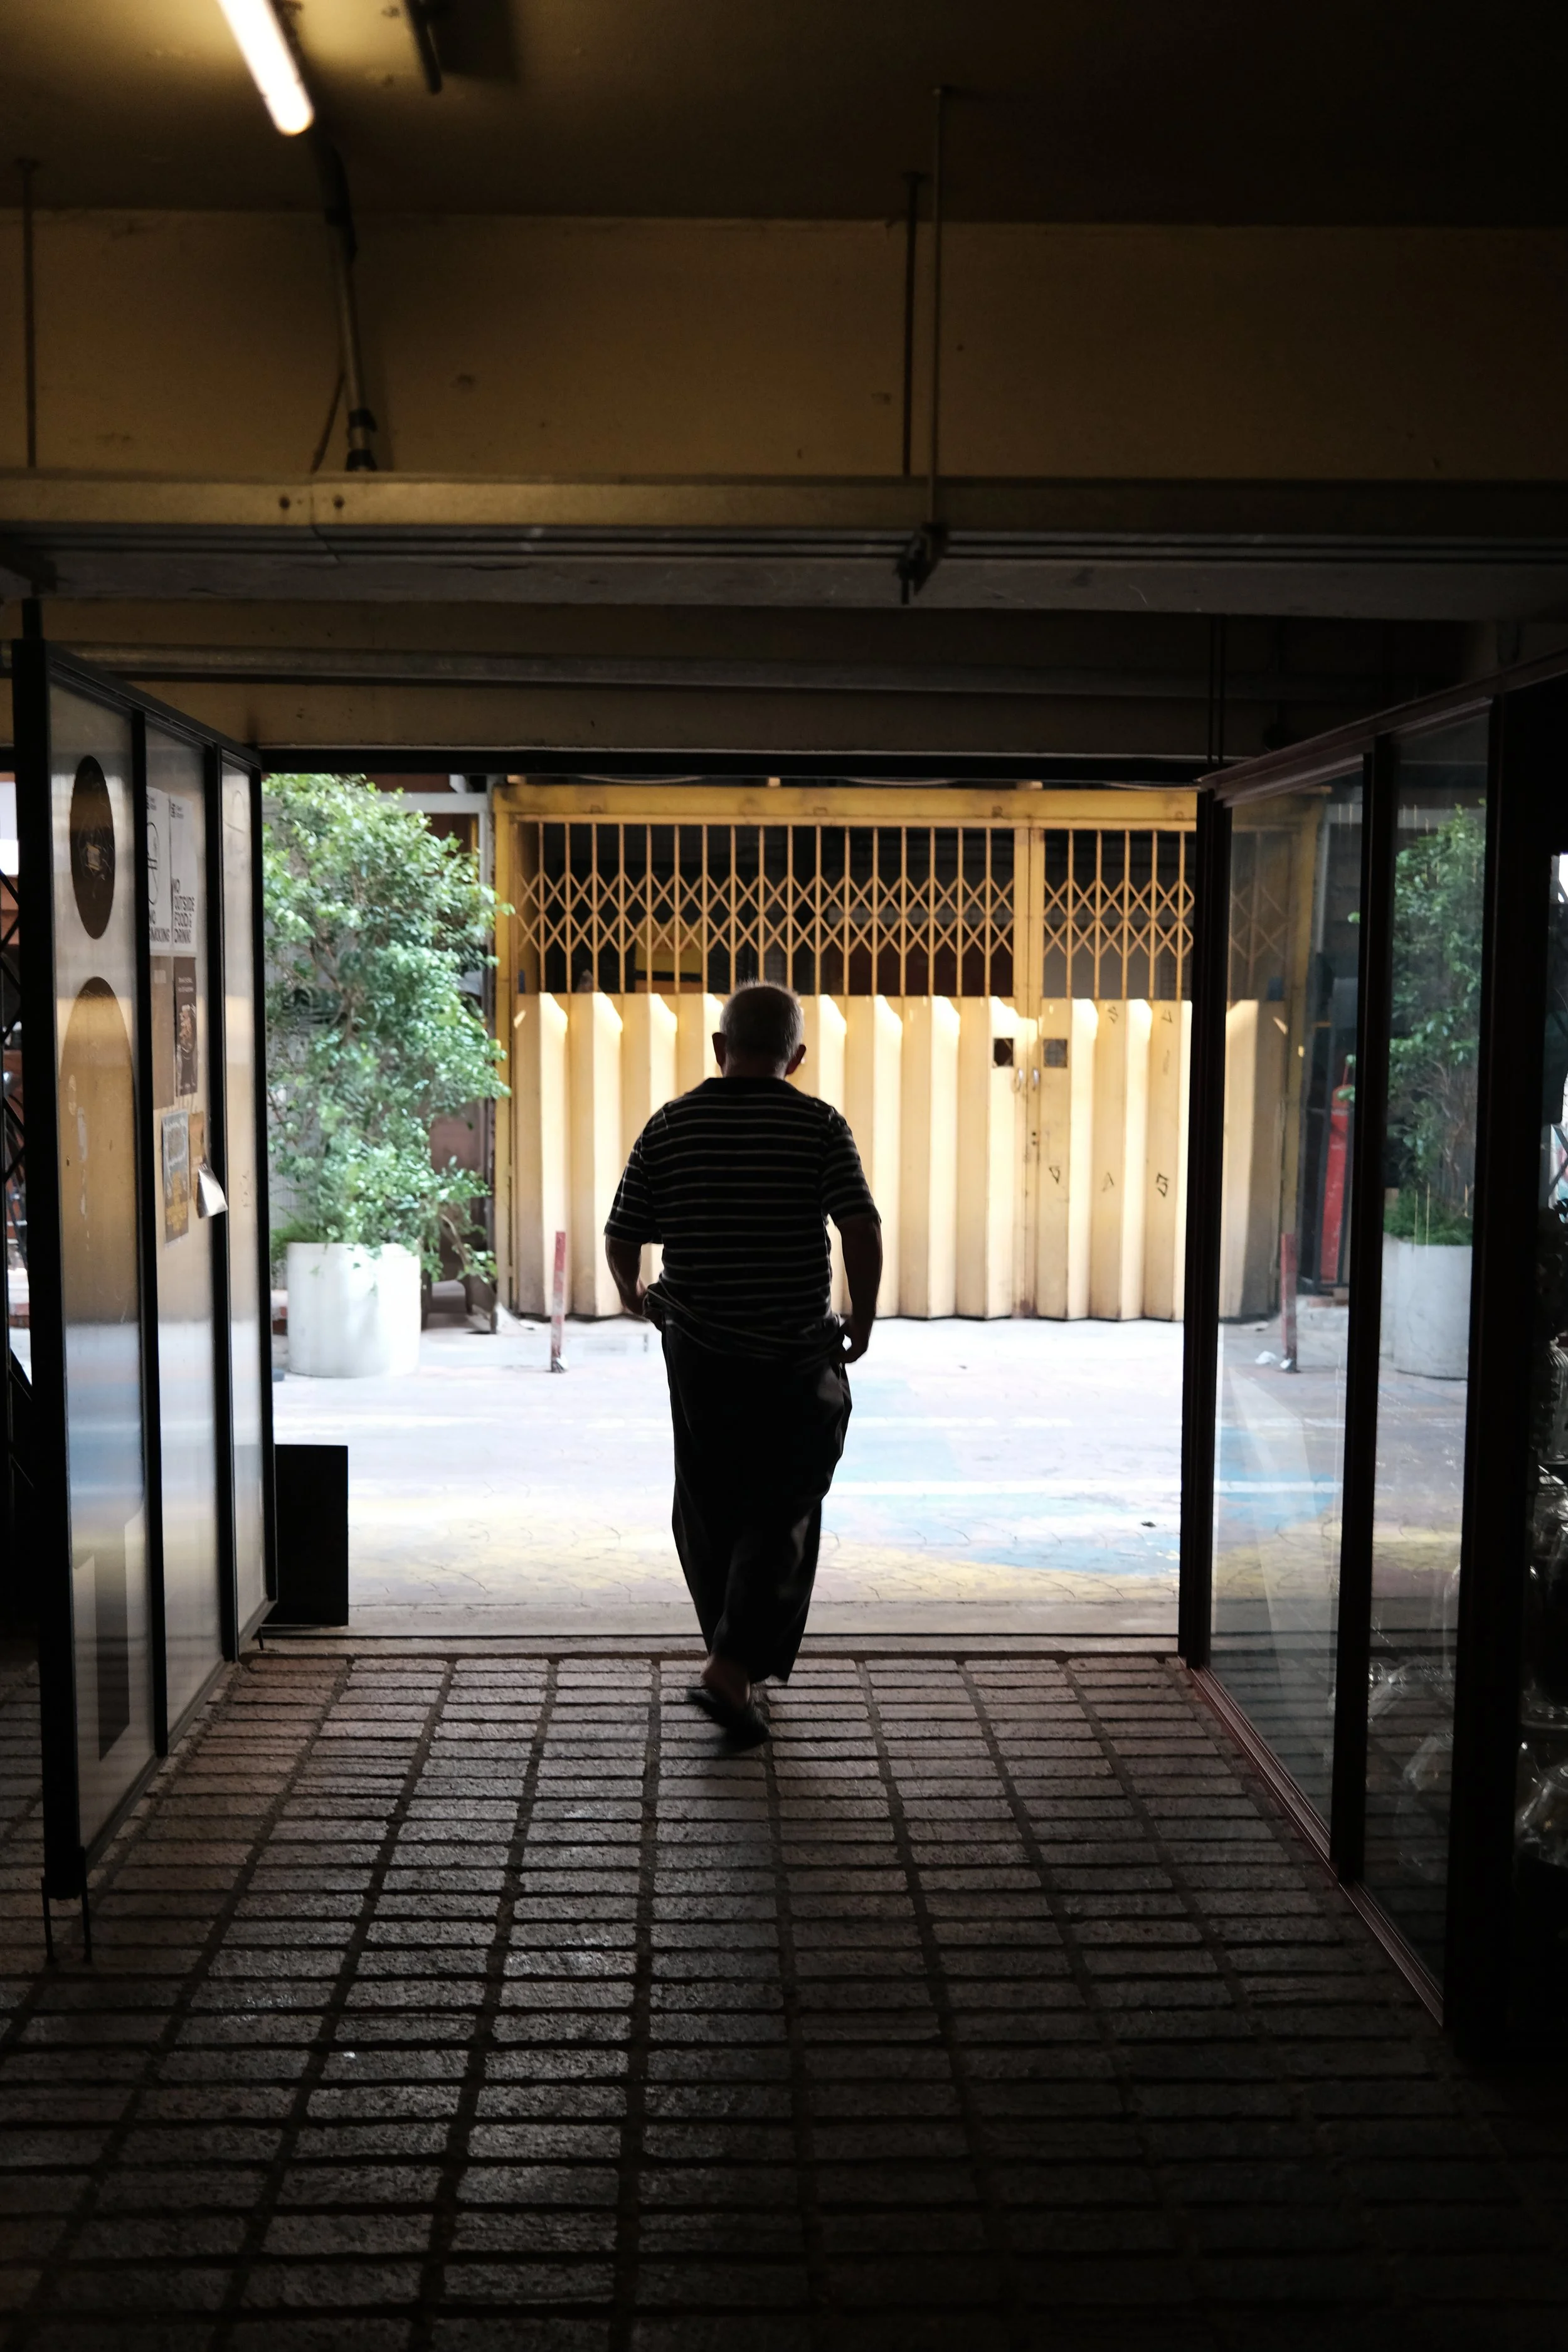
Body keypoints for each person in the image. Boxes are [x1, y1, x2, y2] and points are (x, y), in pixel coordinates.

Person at [603, 982, 883, 1746]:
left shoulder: (671, 1125)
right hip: (794, 1352)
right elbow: (859, 1226)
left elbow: (623, 1230)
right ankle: (732, 1664)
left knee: (709, 1501)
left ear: (721, 1049)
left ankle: (730, 1655)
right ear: (794, 1058)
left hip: (697, 1351)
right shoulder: (818, 1124)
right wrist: (863, 1315)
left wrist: (631, 1292)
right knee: (785, 1503)